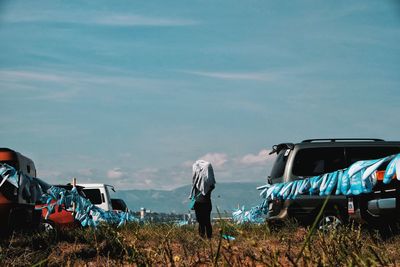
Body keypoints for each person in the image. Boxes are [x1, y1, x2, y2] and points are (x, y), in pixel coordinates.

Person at [189, 160, 216, 239]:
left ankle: (203, 239)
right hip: (205, 203)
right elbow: (212, 185)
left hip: (198, 203)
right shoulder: (208, 185)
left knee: (201, 222)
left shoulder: (196, 183)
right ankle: (208, 239)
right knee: (206, 222)